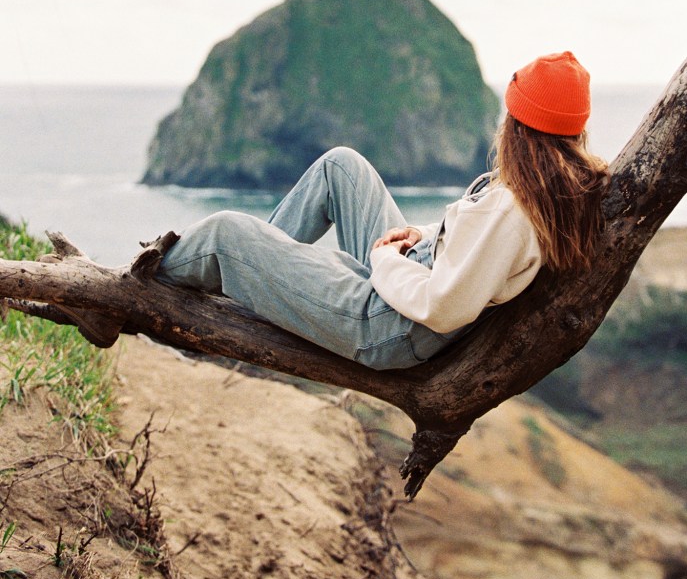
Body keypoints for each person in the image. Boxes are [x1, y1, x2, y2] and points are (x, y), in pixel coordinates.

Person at [151, 51, 608, 370]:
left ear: (520, 127)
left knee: (225, 234)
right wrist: (421, 235)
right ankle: (255, 287)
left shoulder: (514, 207)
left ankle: (137, 293)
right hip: (412, 285)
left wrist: (385, 262)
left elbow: (443, 306)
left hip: (387, 327)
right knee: (342, 167)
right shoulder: (554, 188)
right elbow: (475, 250)